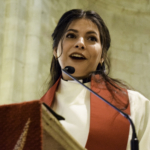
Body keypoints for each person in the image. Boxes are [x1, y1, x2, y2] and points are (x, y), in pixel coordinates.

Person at [40, 9, 150, 150]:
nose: (80, 44)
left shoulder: (135, 106)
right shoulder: (36, 113)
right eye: (71, 35)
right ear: (55, 50)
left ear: (102, 56)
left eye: (91, 38)